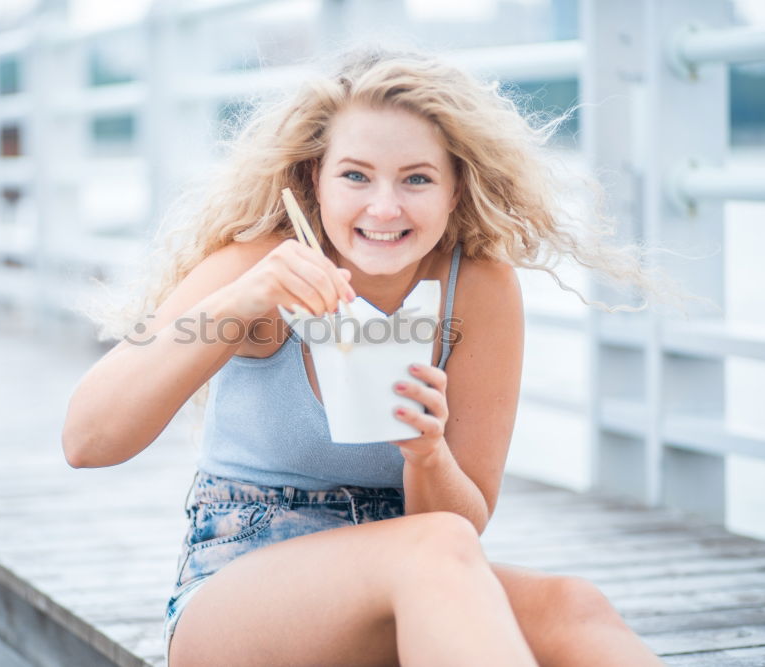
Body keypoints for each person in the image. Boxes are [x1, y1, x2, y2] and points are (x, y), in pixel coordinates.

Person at [62, 48, 673, 666]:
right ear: (312, 181)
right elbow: (87, 439)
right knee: (431, 552)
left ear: (456, 186)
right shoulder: (252, 268)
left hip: (414, 570)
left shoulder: (479, 288)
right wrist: (243, 301)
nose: (385, 208)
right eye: (355, 176)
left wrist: (427, 454)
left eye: (416, 178)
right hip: (236, 589)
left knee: (572, 607)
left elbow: (461, 524)